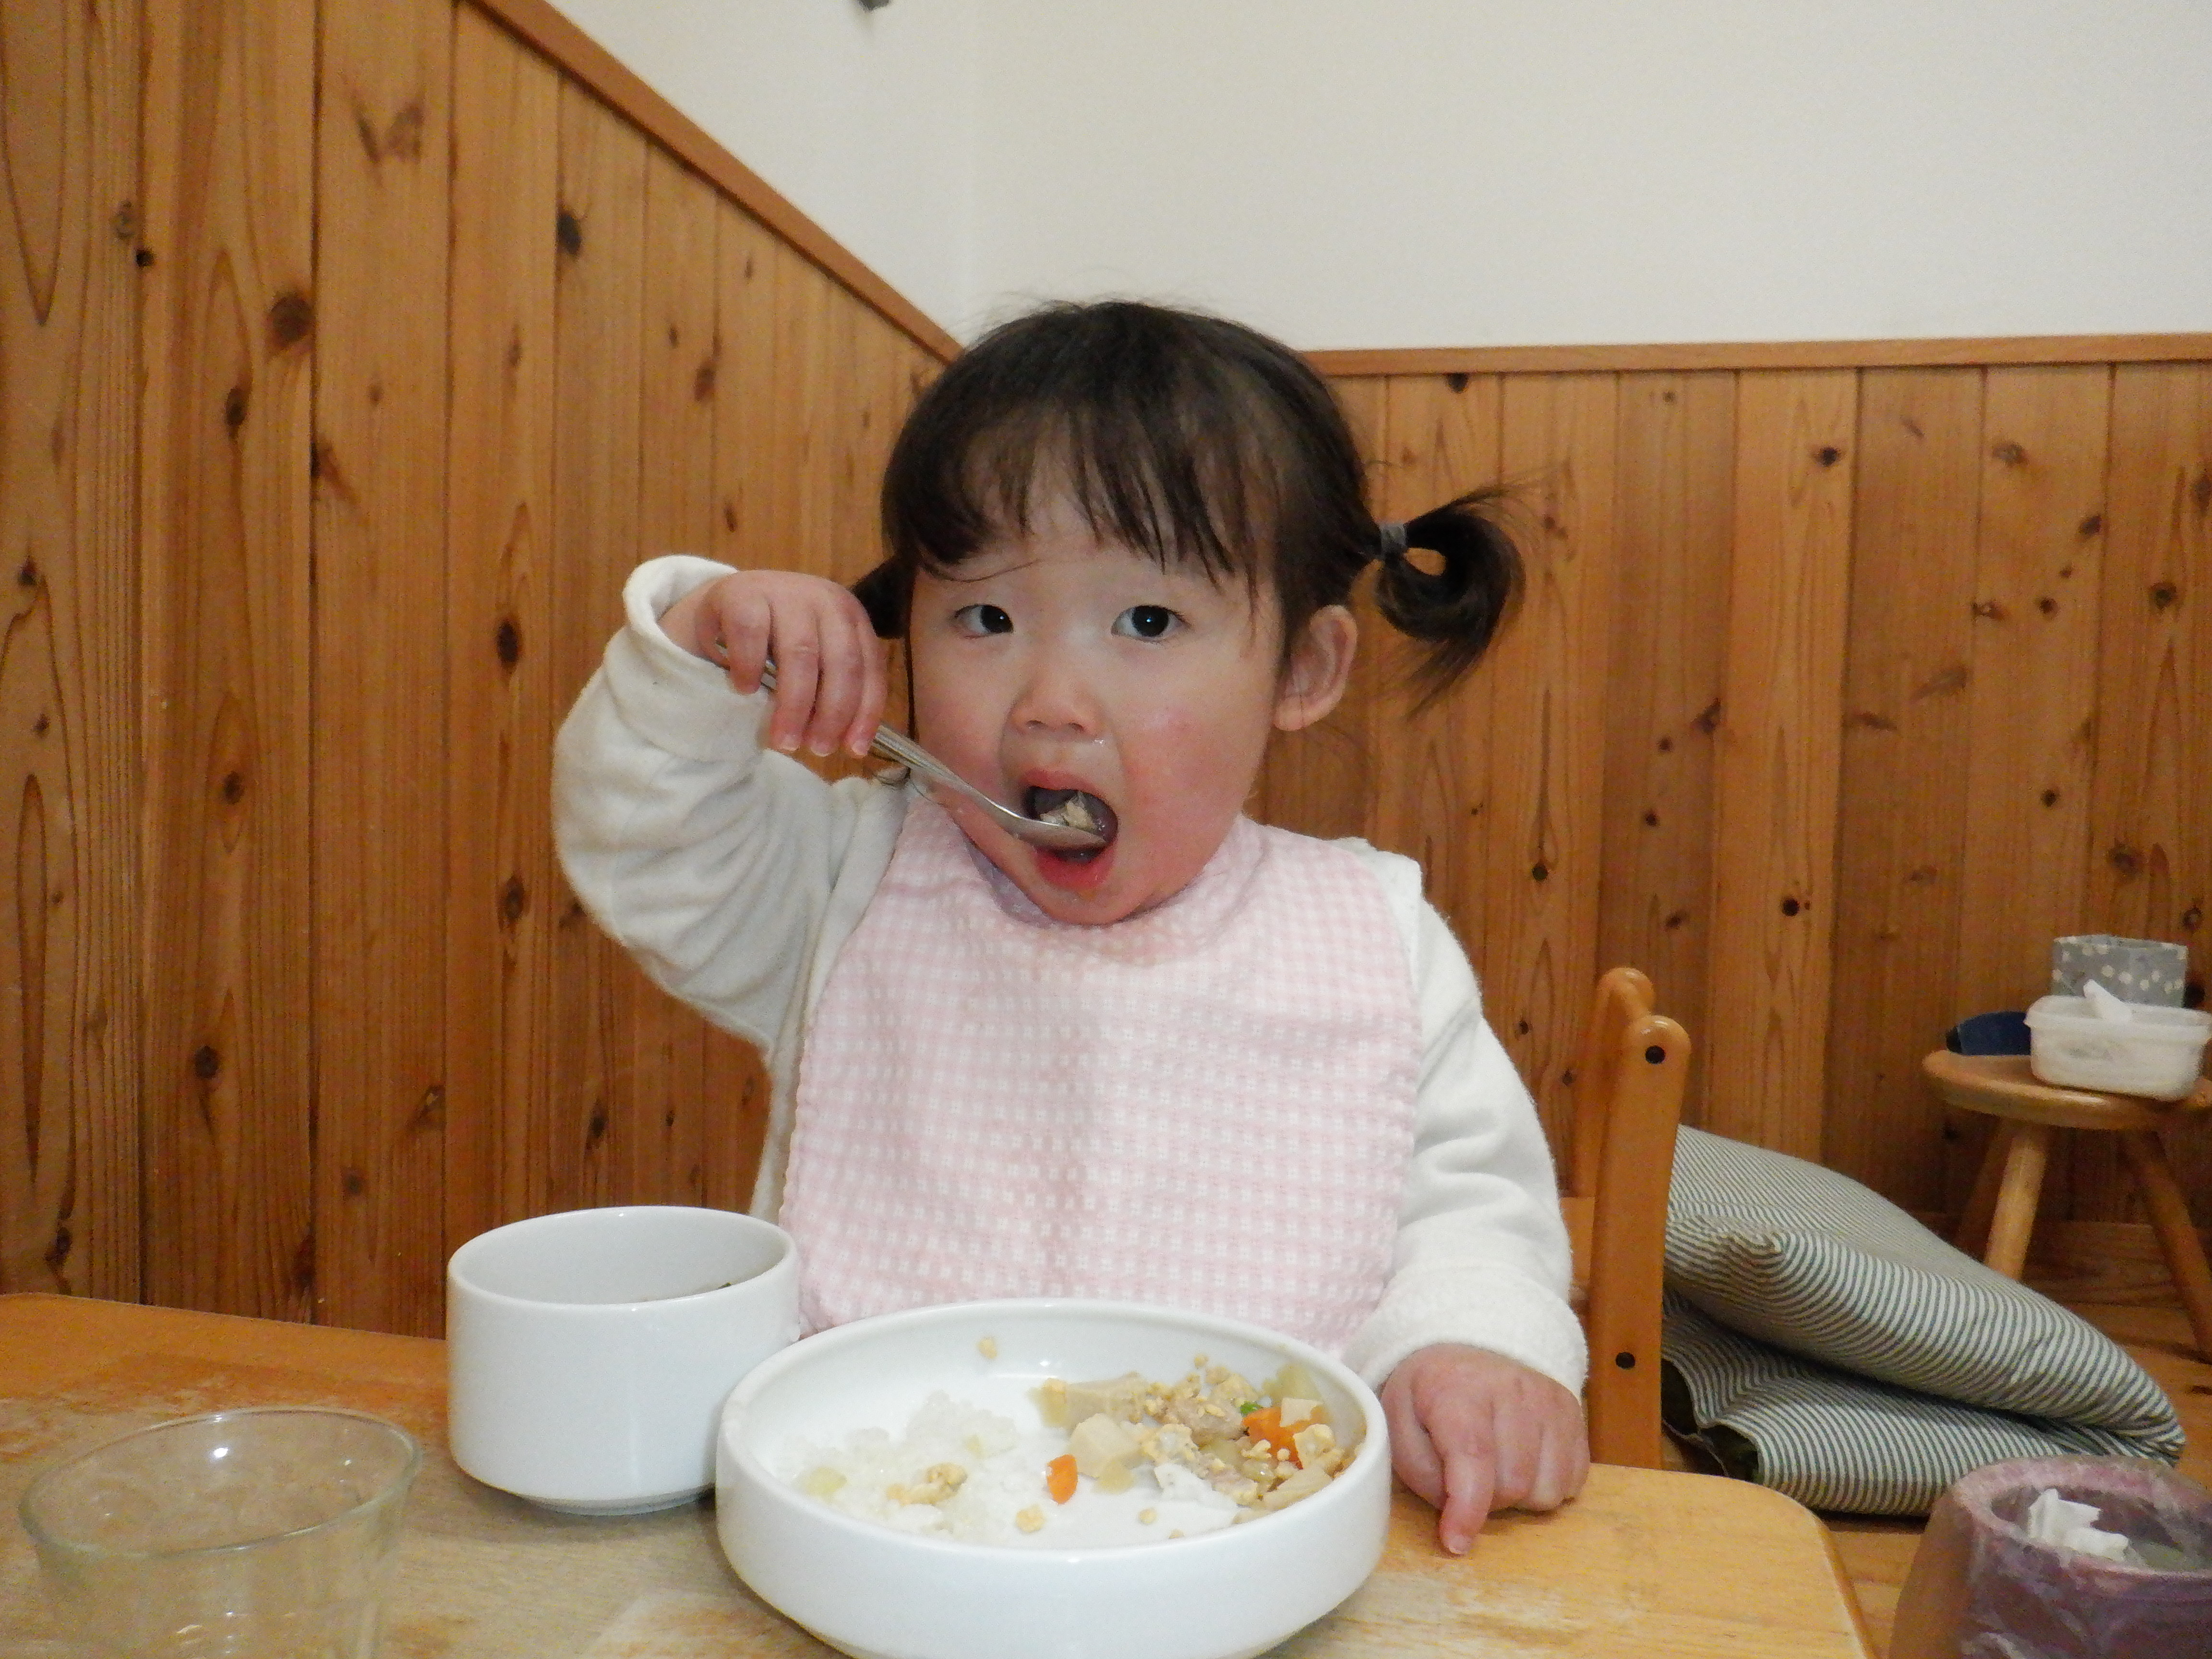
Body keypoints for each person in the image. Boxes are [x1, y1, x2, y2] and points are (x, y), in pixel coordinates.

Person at [554, 299, 1587, 1552]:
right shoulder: (850, 884)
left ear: (1304, 671)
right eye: (985, 620)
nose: (1049, 703)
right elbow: (649, 841)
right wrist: (693, 651)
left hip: (1244, 1548)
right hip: (873, 1536)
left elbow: (1472, 1216)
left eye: (1147, 623)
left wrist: (1475, 1346)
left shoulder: (1371, 941)